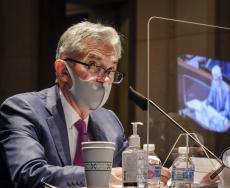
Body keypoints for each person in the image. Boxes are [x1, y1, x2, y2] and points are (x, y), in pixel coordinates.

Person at [0, 21, 171, 188]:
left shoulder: (109, 121)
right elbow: (29, 175)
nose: (104, 79)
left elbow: (125, 174)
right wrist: (98, 177)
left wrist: (146, 173)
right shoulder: (23, 109)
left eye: (110, 70)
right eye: (93, 65)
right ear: (63, 71)